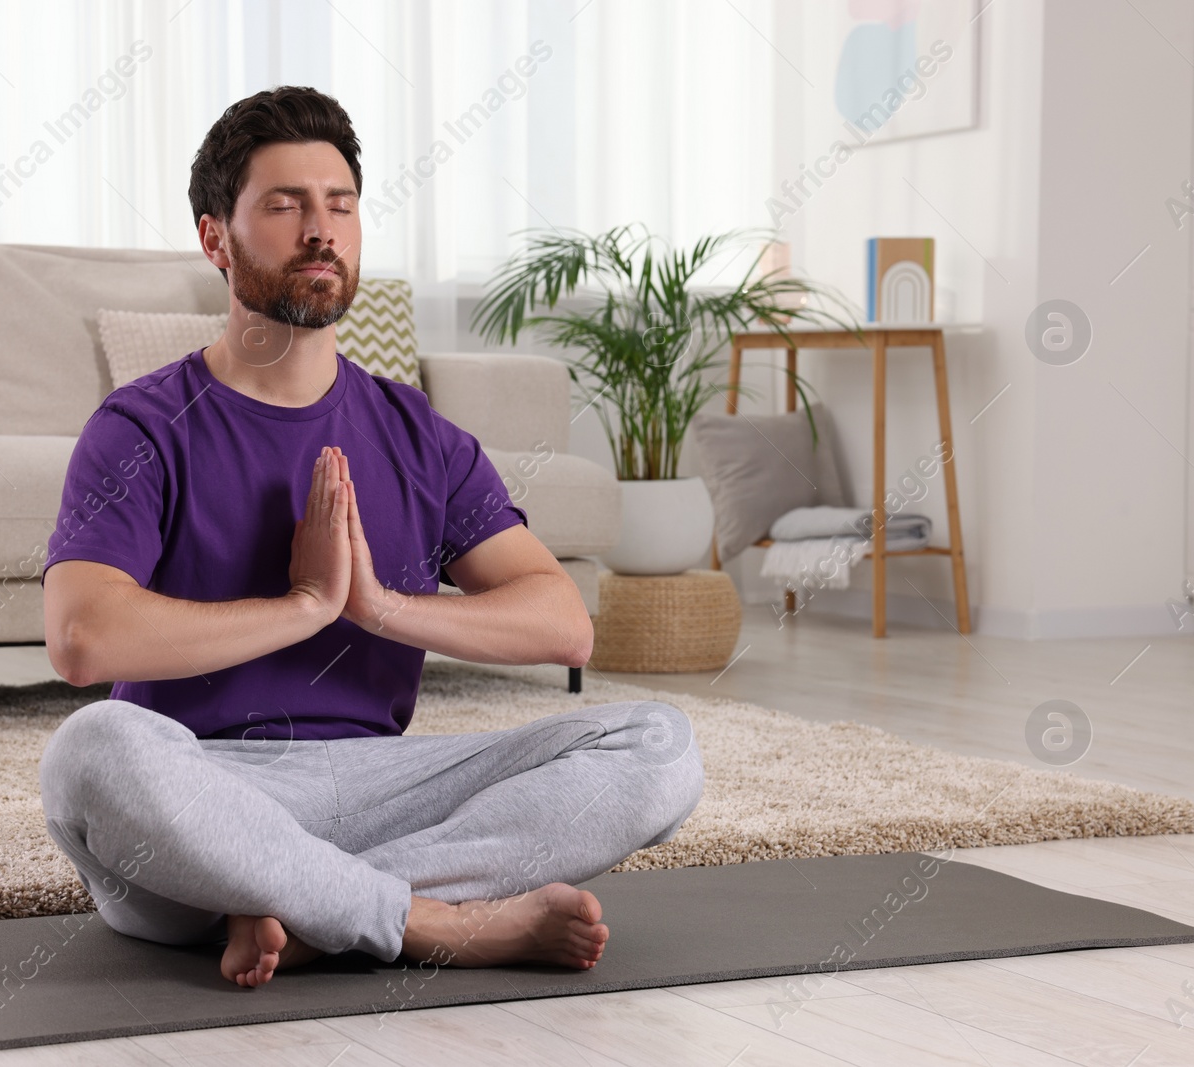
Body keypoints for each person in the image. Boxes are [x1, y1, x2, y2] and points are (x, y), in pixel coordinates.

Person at [37, 85, 704, 989]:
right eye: (284, 205)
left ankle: (313, 915)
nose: (321, 229)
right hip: (202, 794)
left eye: (339, 206)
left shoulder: (416, 432)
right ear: (215, 240)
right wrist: (304, 606)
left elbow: (561, 623)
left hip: (381, 790)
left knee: (659, 745)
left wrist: (379, 607)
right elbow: (84, 639)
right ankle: (435, 921)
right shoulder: (143, 426)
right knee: (90, 750)